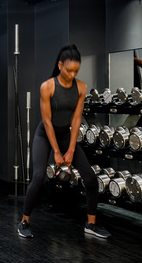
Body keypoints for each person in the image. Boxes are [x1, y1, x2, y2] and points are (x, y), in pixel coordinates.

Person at [18, 45, 110, 239]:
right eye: (69, 70)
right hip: (45, 135)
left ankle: (91, 224)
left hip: (66, 135)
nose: (72, 74)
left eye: (76, 71)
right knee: (38, 176)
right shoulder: (47, 86)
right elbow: (47, 121)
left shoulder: (81, 87)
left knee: (90, 178)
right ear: (60, 66)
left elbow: (76, 120)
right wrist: (57, 152)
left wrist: (70, 149)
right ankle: (24, 221)